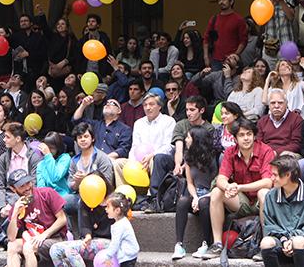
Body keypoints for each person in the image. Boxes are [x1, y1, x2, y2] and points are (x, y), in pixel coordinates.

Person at [202, 119, 275, 259]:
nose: (246, 138)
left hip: (262, 200)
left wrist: (240, 187)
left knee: (264, 192)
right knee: (217, 191)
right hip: (243, 201)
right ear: (235, 138)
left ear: (254, 135)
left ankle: (265, 244)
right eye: (241, 135)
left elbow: (267, 182)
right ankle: (217, 244)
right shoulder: (230, 152)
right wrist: (228, 187)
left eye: (249, 134)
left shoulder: (266, 150)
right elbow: (221, 178)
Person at [259, 155, 304, 267]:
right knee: (266, 243)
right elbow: (269, 225)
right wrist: (284, 240)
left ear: (288, 175)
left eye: (275, 175)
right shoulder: (270, 195)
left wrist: (293, 238)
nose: (271, 178)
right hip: (282, 242)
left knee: (298, 241)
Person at [172, 125, 218, 260]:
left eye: (188, 137)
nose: (186, 140)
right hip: (195, 193)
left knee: (204, 203)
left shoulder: (213, 157)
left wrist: (200, 198)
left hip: (211, 194)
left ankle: (206, 243)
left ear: (196, 139)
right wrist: (195, 197)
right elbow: (190, 183)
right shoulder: (188, 157)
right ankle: (179, 245)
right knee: (182, 202)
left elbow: (217, 184)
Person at [113, 93, 175, 191]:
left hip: (157, 158)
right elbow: (135, 146)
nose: (148, 107)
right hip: (139, 160)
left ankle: (151, 196)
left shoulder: (168, 121)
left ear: (159, 106)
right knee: (118, 164)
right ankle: (123, 194)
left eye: (151, 104)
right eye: (145, 105)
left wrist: (152, 155)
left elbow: (169, 147)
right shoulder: (139, 123)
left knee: (155, 160)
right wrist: (132, 162)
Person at [49, 174, 114, 267]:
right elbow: (84, 225)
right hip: (90, 240)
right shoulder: (85, 201)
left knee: (70, 250)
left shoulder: (112, 203)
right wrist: (88, 236)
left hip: (110, 242)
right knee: (55, 249)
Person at [6, 169, 67, 267]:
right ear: (13, 189)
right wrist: (15, 214)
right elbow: (11, 237)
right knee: (12, 246)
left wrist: (44, 235)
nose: (27, 188)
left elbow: (62, 219)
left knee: (28, 247)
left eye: (28, 183)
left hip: (55, 238)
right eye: (22, 186)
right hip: (33, 238)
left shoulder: (46, 193)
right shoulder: (17, 206)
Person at [66, 123, 114, 235]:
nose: (83, 140)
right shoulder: (74, 160)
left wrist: (86, 179)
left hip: (101, 196)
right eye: (79, 137)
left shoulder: (102, 157)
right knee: (64, 201)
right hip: (80, 193)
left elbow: (107, 181)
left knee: (81, 203)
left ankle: (85, 235)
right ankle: (70, 234)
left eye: (86, 136)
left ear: (92, 138)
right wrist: (77, 182)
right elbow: (70, 184)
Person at [0, 122, 42, 218]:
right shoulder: (3, 158)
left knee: (17, 210)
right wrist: (2, 207)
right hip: (6, 196)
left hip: (27, 196)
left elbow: (33, 185)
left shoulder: (34, 158)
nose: (4, 140)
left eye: (7, 137)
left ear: (18, 139)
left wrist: (11, 205)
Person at [203, 0, 248, 70]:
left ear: (231, 2)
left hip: (231, 60)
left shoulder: (239, 20)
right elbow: (206, 39)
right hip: (215, 60)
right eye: (219, 0)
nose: (221, 2)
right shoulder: (214, 19)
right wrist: (206, 56)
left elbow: (243, 41)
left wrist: (235, 55)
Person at [259, 0, 295, 68]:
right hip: (269, 47)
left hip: (286, 44)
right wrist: (271, 3)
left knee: (288, 74)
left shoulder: (287, 0)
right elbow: (261, 22)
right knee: (271, 75)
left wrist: (281, 1)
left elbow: (291, 17)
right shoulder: (263, 4)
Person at [257, 89, 303, 155]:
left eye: (280, 103)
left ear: (286, 103)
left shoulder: (296, 119)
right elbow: (258, 143)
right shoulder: (262, 121)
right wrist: (267, 154)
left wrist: (276, 153)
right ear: (269, 105)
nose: (276, 106)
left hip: (288, 155)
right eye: (273, 103)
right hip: (266, 154)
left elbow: (296, 144)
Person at [100, 192, 139, 267]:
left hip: (127, 256)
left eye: (108, 207)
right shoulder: (122, 222)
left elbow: (115, 243)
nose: (105, 209)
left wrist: (108, 257)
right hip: (129, 254)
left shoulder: (120, 226)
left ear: (117, 210)